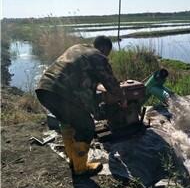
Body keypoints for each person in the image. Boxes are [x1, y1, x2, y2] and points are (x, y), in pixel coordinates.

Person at [35, 36, 126, 176]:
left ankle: (74, 161)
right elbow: (110, 81)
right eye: (107, 53)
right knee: (86, 126)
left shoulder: (78, 48)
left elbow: (81, 78)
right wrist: (122, 98)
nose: (106, 56)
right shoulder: (98, 56)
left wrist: (98, 88)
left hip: (44, 90)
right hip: (61, 93)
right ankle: (81, 169)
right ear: (104, 48)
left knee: (68, 123)